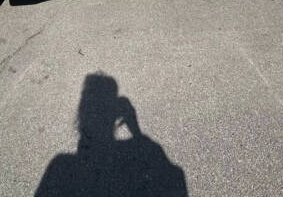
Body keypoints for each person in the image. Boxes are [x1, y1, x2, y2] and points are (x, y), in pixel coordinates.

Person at [35, 73, 188, 196]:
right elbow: (173, 179)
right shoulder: (145, 151)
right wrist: (136, 132)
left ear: (81, 113)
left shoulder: (60, 166)